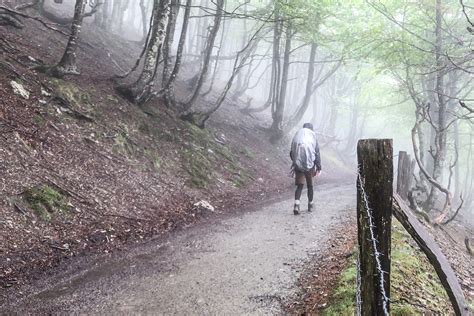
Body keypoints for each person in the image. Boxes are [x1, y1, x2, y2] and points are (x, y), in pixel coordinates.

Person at [290, 123, 321, 215]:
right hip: (310, 164)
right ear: (312, 129)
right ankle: (310, 205)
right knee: (310, 185)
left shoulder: (298, 134)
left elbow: (292, 151)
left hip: (298, 163)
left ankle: (296, 204)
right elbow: (317, 152)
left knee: (299, 185)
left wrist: (295, 162)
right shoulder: (312, 135)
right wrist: (318, 166)